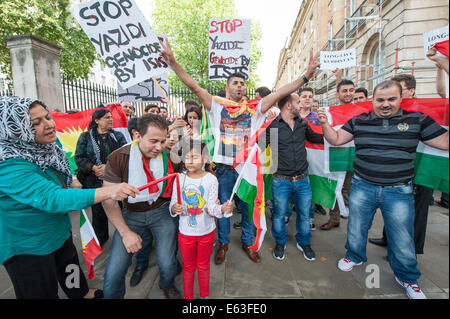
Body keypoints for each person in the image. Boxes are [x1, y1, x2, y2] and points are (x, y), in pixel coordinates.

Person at [160, 38, 320, 264]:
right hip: (224, 170)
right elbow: (194, 86)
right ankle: (223, 243)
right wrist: (174, 64)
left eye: (242, 84)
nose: (239, 86)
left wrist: (307, 76)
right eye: (235, 83)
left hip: (247, 169)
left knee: (247, 207)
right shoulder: (216, 105)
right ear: (227, 88)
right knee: (223, 207)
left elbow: (280, 92)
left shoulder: (257, 107)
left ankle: (247, 241)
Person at [317, 80, 449, 299]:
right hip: (362, 187)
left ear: (401, 99)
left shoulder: (417, 120)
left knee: (402, 237)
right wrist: (324, 124)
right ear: (373, 100)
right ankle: (354, 256)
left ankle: (407, 278)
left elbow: (445, 143)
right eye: (380, 100)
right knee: (357, 228)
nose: (385, 104)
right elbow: (337, 139)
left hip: (398, 191)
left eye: (391, 99)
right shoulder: (359, 120)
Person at [0, 96, 139, 299]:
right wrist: (109, 191)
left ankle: (82, 293)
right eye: (36, 123)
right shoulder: (8, 164)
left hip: (59, 232)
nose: (48, 125)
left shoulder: (48, 148)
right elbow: (51, 198)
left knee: (70, 270)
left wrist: (70, 179)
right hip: (28, 245)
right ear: (14, 128)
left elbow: (60, 174)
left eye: (47, 117)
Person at [101, 113, 182, 299]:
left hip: (161, 211)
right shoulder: (118, 157)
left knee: (167, 261)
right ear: (137, 135)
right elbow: (108, 199)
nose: (159, 147)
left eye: (163, 141)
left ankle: (167, 284)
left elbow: (188, 173)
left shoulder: (170, 156)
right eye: (153, 141)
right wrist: (125, 233)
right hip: (131, 215)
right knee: (114, 272)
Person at [369, 74, 436, 255]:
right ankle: (388, 239)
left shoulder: (422, 112)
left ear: (410, 92)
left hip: (421, 168)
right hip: (396, 172)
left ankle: (410, 249)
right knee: (392, 212)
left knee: (413, 213)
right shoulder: (391, 113)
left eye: (397, 92)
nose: (389, 99)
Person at [170, 140, 233, 299]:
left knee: (203, 266)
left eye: (195, 157)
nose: (189, 160)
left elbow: (211, 208)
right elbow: (173, 203)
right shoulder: (178, 179)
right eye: (187, 157)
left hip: (207, 232)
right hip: (186, 233)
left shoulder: (211, 180)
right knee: (188, 267)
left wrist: (222, 209)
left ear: (205, 158)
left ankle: (204, 296)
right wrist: (174, 208)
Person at [267, 92, 324, 261]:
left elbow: (317, 139)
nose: (302, 105)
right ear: (288, 105)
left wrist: (327, 126)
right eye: (298, 102)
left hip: (303, 180)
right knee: (279, 214)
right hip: (281, 181)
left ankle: (304, 242)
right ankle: (280, 242)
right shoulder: (273, 127)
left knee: (305, 214)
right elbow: (259, 146)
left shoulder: (303, 124)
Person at [75, 108, 127, 247]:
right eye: (106, 117)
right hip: (94, 180)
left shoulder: (118, 136)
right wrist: (94, 168)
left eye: (111, 117)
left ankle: (124, 235)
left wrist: (108, 168)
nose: (110, 119)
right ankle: (100, 240)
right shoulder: (85, 137)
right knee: (98, 213)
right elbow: (79, 158)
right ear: (97, 120)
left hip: (115, 179)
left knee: (120, 208)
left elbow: (125, 155)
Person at [320, 78, 356, 231]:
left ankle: (353, 218)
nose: (348, 94)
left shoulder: (362, 110)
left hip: (356, 156)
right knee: (334, 188)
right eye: (344, 91)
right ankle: (334, 218)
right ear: (338, 94)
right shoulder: (330, 112)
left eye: (351, 90)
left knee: (352, 189)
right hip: (337, 154)